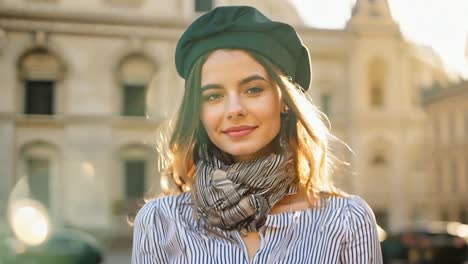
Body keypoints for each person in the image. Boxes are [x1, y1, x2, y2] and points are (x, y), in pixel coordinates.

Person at [132, 5, 383, 264]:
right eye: (214, 96)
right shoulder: (160, 222)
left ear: (284, 100)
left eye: (253, 90)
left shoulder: (347, 220)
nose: (234, 110)